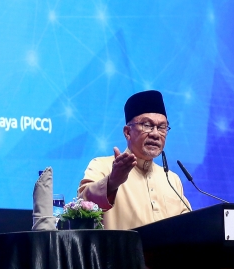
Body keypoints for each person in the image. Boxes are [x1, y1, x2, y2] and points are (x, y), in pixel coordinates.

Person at [78, 90, 191, 230]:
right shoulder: (102, 166)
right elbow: (81, 209)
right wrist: (112, 182)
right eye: (147, 125)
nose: (155, 134)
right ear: (127, 132)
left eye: (162, 127)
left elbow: (189, 225)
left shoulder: (172, 179)